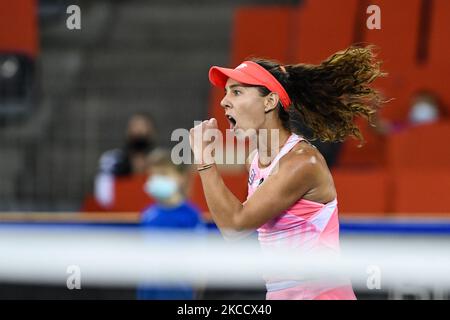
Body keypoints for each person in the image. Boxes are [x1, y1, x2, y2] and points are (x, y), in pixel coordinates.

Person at [189, 46, 386, 300]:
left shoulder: (302, 162)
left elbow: (234, 227)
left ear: (270, 102)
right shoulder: (254, 161)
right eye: (226, 92)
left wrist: (205, 160)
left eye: (236, 92)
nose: (224, 101)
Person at [137, 148, 205, 300]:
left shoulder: (192, 216)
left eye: (163, 174)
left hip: (179, 294)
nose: (156, 180)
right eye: (153, 175)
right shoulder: (147, 216)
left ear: (180, 177)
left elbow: (200, 261)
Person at [94, 112, 157, 208]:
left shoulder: (159, 161)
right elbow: (103, 195)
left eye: (143, 127)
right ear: (128, 131)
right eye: (135, 126)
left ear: (151, 132)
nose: (139, 130)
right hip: (119, 213)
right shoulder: (112, 159)